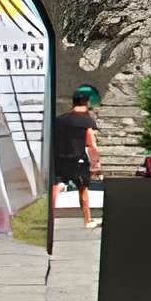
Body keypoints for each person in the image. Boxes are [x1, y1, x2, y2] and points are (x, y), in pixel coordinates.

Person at [52, 87, 100, 228]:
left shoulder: (59, 120)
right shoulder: (87, 121)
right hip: (78, 159)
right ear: (86, 103)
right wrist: (95, 163)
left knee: (56, 186)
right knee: (83, 188)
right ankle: (87, 220)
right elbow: (91, 144)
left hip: (60, 158)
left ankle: (50, 218)